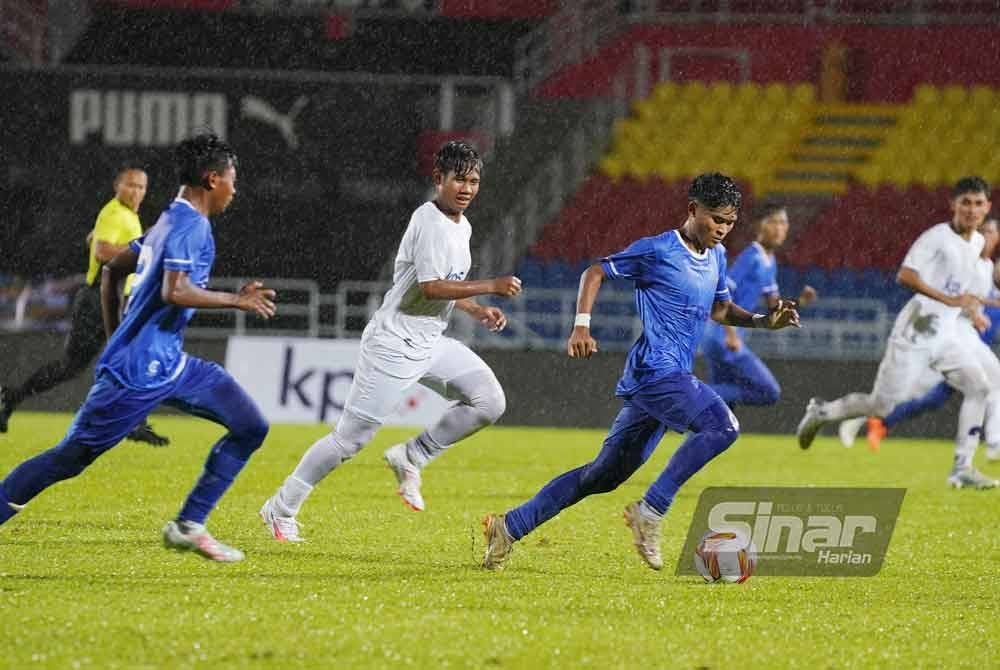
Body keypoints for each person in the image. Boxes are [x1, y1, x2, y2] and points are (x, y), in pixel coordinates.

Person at [480, 173, 800, 571]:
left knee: (602, 477)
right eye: (715, 219)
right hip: (655, 371)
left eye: (729, 222)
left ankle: (509, 526)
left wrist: (763, 321)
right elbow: (595, 272)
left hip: (669, 377)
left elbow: (720, 310)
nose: (722, 229)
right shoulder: (658, 251)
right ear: (692, 210)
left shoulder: (716, 256)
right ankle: (652, 509)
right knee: (723, 427)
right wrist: (581, 324)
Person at [0, 132, 277, 562]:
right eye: (230, 180)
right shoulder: (191, 226)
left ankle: (188, 525)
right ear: (211, 180)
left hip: (167, 363)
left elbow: (111, 268)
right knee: (68, 459)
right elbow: (174, 290)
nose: (234, 190)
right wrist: (235, 300)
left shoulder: (167, 219)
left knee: (250, 425)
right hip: (135, 374)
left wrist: (116, 338)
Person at [259, 140, 520, 543]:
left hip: (429, 340)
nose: (467, 188)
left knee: (489, 400)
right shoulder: (429, 221)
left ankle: (412, 455)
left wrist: (476, 309)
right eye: (459, 180)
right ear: (439, 180)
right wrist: (492, 286)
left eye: (474, 181)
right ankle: (281, 507)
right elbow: (432, 288)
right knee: (349, 440)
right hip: (394, 343)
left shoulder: (461, 225)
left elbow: (443, 282)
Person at [797, 177, 998, 489]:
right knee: (882, 406)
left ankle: (962, 467)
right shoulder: (936, 237)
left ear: (987, 207)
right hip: (916, 331)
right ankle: (823, 410)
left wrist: (971, 310)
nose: (972, 209)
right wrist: (951, 301)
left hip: (946, 334)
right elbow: (905, 276)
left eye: (978, 203)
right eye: (966, 203)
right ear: (954, 205)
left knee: (980, 387)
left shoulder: (976, 244)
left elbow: (957, 286)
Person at [0, 166, 168, 446]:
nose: (135, 191)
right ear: (117, 185)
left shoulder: (123, 216)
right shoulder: (115, 212)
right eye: (130, 185)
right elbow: (103, 252)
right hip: (100, 299)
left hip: (110, 298)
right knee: (130, 356)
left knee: (76, 365)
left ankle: (12, 396)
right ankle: (128, 421)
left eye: (141, 187)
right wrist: (143, 248)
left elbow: (94, 240)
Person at [838, 218, 1000, 459]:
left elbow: (978, 297)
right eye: (983, 230)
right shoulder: (967, 261)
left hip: (969, 342)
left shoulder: (986, 267)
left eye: (991, 232)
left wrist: (985, 304)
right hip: (952, 337)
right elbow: (959, 297)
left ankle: (871, 422)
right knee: (911, 392)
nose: (986, 236)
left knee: (937, 397)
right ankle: (994, 446)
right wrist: (975, 312)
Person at [702, 201, 817, 407]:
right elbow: (719, 294)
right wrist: (731, 335)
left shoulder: (769, 261)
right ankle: (683, 393)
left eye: (784, 223)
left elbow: (775, 307)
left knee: (720, 414)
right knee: (768, 391)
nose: (780, 228)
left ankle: (686, 402)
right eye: (774, 222)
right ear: (759, 226)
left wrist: (800, 302)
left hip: (720, 339)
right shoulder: (751, 257)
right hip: (723, 338)